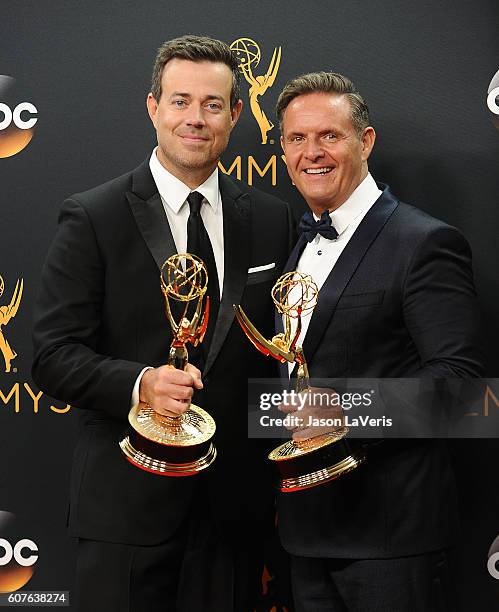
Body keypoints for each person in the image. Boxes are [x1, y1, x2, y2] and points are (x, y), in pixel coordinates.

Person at [32, 35, 294, 612]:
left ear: (232, 116)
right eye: (180, 101)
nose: (195, 118)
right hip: (125, 511)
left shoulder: (272, 218)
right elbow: (51, 355)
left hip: (234, 513)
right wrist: (139, 383)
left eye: (212, 104)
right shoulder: (93, 215)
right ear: (153, 107)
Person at [274, 72, 483, 611]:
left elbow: (462, 389)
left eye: (329, 136)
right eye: (297, 139)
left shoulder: (423, 241)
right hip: (305, 536)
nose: (311, 153)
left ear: (365, 142)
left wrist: (346, 410)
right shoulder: (295, 246)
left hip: (393, 541)